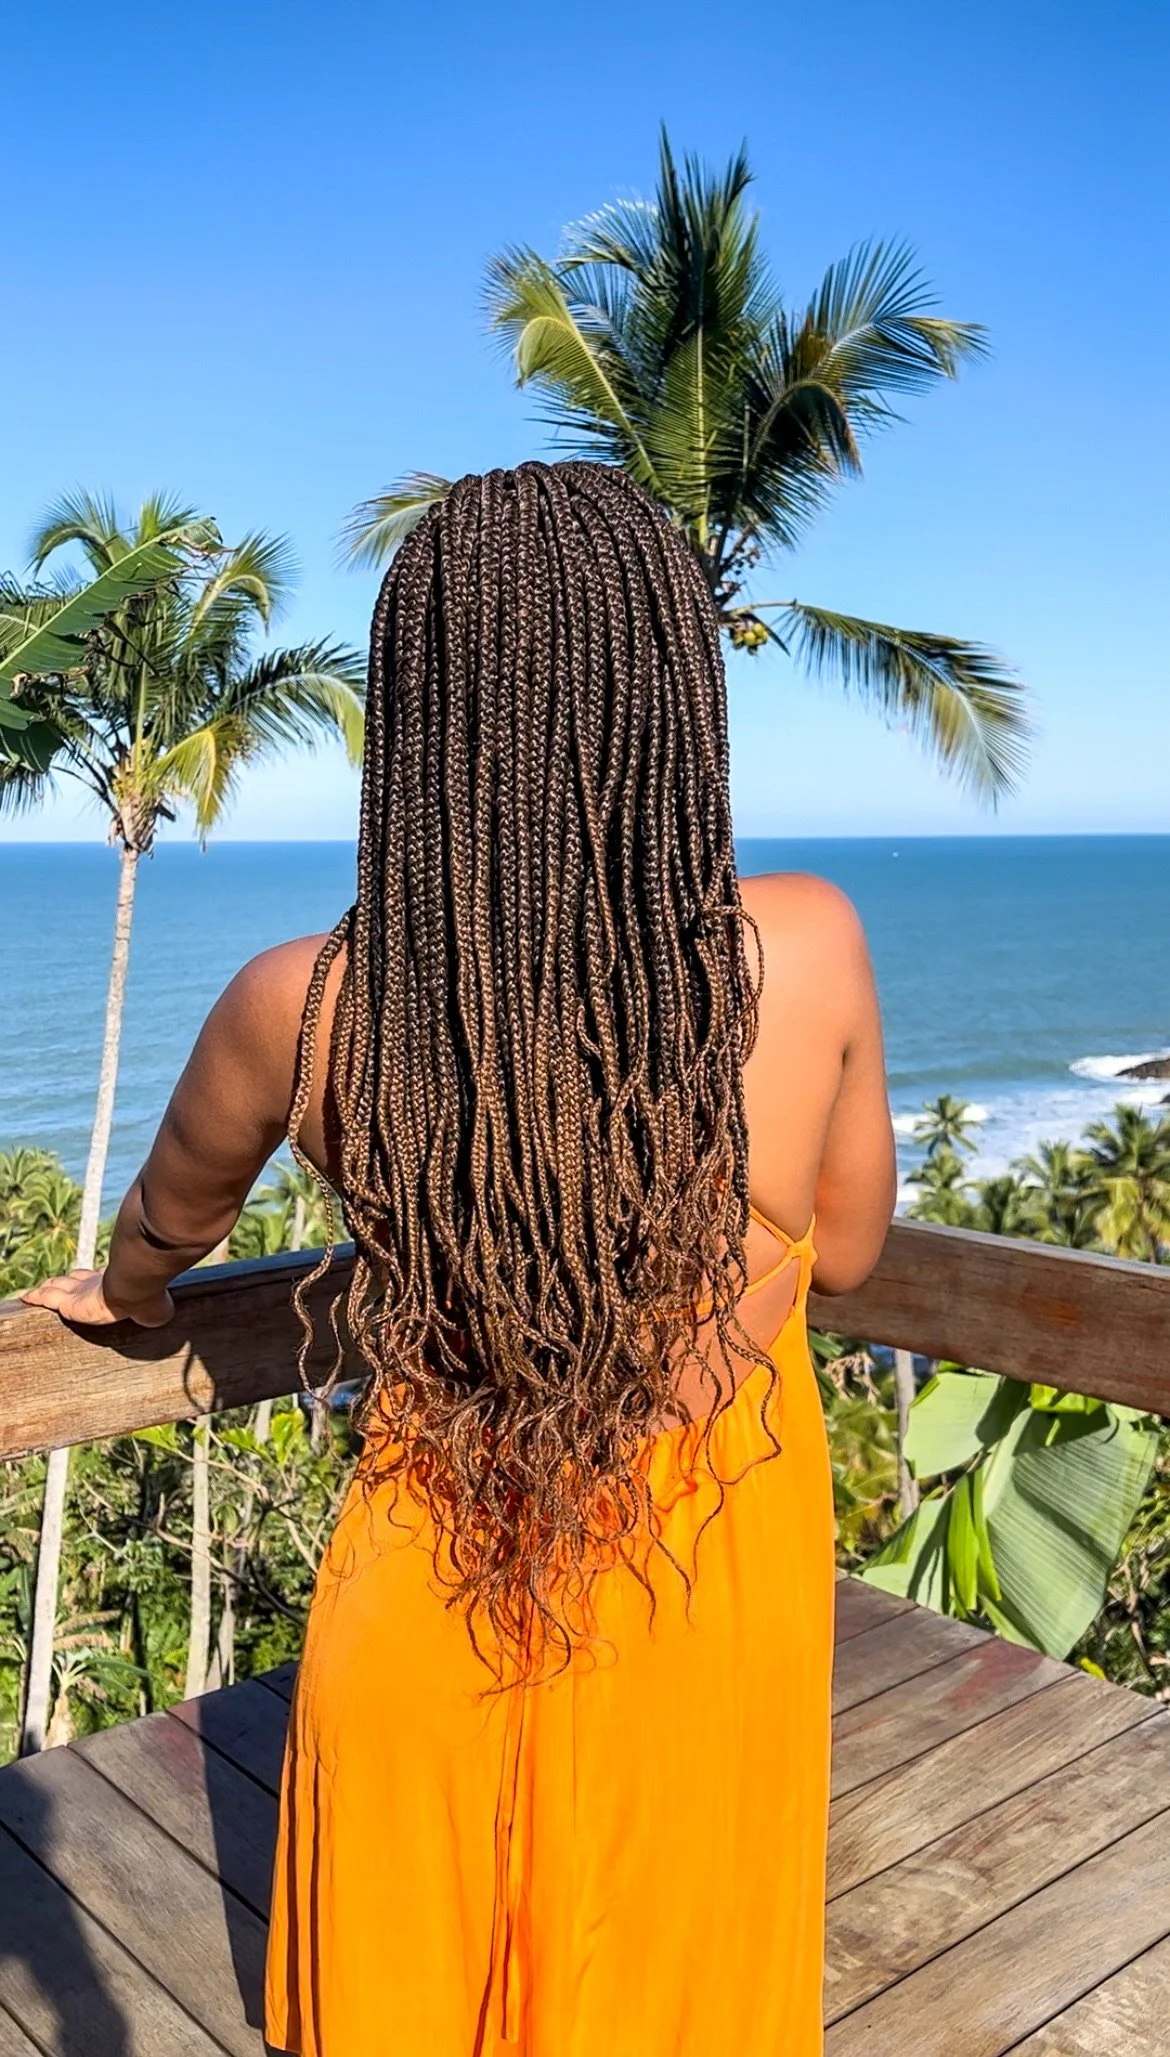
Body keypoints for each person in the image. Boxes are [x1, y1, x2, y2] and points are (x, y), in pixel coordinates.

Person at [25, 461, 895, 2056]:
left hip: (441, 1566)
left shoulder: (305, 1004)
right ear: (669, 700)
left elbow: (168, 1228)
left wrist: (123, 1294)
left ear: (424, 718)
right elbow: (842, 1254)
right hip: (705, 1579)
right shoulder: (812, 947)